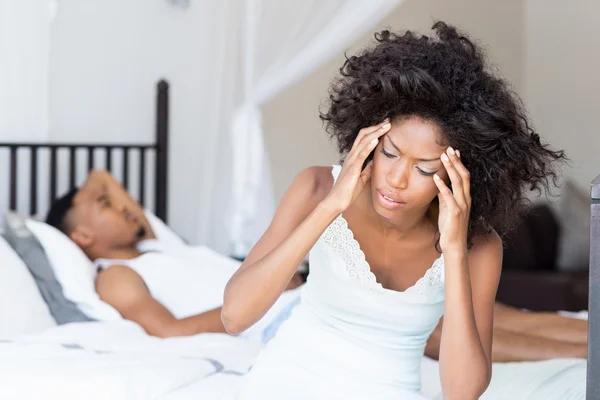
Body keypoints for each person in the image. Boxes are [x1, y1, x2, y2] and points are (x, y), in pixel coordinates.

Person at [222, 22, 566, 400]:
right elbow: (235, 316)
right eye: (389, 152)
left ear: (458, 174)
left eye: (424, 168)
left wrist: (453, 250)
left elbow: (462, 392)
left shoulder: (479, 247)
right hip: (285, 383)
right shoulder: (317, 188)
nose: (397, 179)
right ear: (368, 139)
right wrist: (331, 205)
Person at [45, 169, 304, 339]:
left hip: (298, 299)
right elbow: (169, 332)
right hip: (279, 317)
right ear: (83, 236)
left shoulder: (155, 245)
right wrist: (265, 292)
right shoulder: (115, 276)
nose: (124, 208)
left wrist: (271, 284)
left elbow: (101, 176)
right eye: (106, 204)